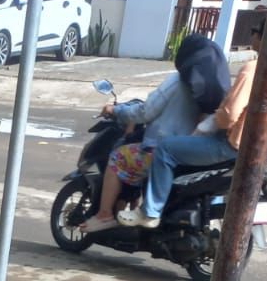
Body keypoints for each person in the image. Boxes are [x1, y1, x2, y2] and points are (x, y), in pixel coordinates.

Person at [119, 25, 267, 229]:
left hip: (232, 143)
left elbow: (230, 114)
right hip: (262, 147)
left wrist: (213, 124)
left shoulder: (253, 68)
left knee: (165, 149)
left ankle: (150, 212)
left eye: (254, 33)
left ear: (261, 38)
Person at [79, 35, 221, 233]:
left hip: (161, 150)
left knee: (118, 157)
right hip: (192, 154)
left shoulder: (177, 81)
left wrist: (116, 110)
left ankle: (104, 215)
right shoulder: (213, 88)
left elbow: (146, 112)